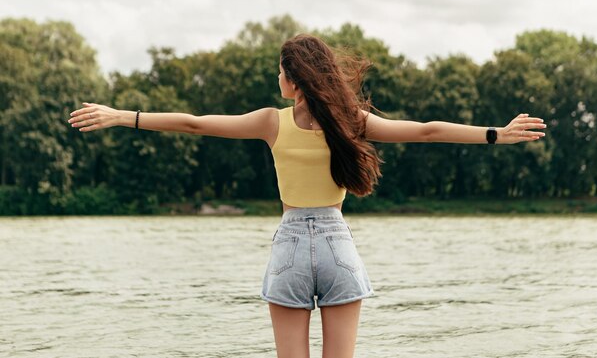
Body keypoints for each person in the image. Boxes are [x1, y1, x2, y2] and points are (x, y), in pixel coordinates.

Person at [67, 33, 547, 358]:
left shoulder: (270, 121)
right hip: (339, 247)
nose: (277, 79)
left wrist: (121, 115)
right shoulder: (351, 122)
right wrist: (493, 134)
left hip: (290, 249)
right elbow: (425, 131)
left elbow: (194, 123)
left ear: (292, 78)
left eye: (280, 71)